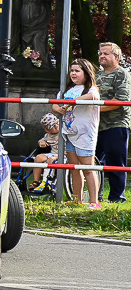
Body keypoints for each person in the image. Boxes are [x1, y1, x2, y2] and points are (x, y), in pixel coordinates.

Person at [54, 59, 102, 208]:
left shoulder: (90, 89)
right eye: (72, 71)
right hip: (69, 133)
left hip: (85, 134)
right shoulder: (67, 90)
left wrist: (72, 102)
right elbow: (55, 103)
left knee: (88, 168)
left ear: (86, 73)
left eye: (77, 71)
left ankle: (94, 201)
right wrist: (58, 108)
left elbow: (93, 97)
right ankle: (77, 199)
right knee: (74, 168)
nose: (73, 73)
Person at [95, 42, 130, 204]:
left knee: (116, 163)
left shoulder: (122, 74)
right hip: (96, 126)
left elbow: (120, 101)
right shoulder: (96, 75)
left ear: (116, 56)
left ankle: (117, 198)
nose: (102, 56)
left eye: (106, 53)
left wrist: (93, 109)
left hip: (116, 125)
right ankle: (96, 195)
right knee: (94, 162)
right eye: (100, 53)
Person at [27, 114, 60, 194]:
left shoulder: (64, 132)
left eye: (56, 123)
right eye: (53, 126)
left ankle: (46, 182)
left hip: (64, 155)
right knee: (38, 158)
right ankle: (36, 182)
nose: (56, 126)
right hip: (53, 153)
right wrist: (41, 142)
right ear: (47, 130)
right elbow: (42, 140)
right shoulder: (48, 135)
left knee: (51, 160)